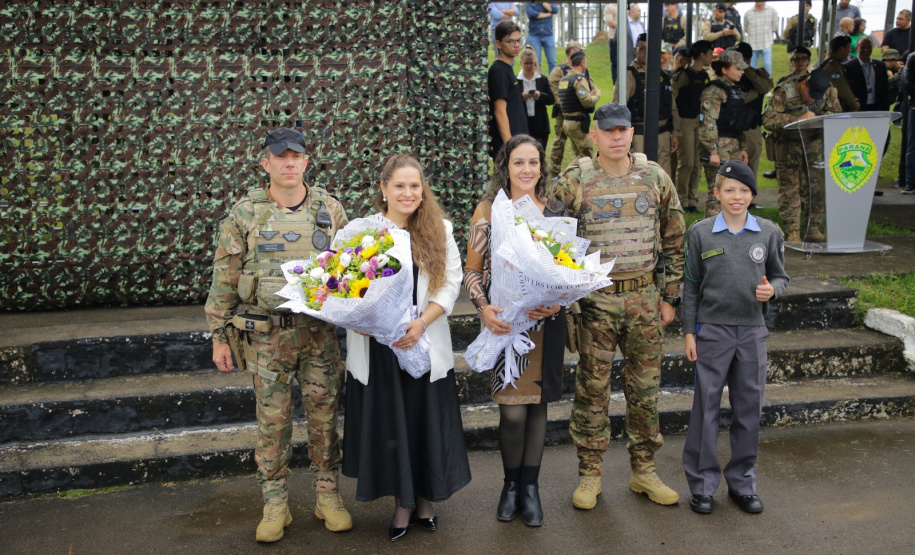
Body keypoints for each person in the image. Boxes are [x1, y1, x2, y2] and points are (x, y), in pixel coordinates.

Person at [205, 127, 351, 543]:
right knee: (273, 422)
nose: (289, 163)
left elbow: (353, 270)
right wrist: (219, 334)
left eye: (296, 156)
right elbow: (225, 277)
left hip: (319, 335)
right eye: (280, 156)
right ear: (265, 163)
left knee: (324, 418)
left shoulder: (330, 209)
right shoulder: (244, 213)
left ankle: (328, 496)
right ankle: (275, 503)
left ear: (306, 161)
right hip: (267, 339)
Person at [555, 102, 685, 512]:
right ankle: (590, 475)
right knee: (592, 390)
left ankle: (643, 470)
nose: (616, 137)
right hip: (596, 302)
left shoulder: (654, 177)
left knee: (644, 393)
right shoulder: (575, 180)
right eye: (608, 130)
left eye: (623, 130)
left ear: (632, 133)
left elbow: (674, 236)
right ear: (594, 134)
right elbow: (547, 236)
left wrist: (671, 295)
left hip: (645, 300)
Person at [343, 154, 470, 542]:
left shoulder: (439, 229)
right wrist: (361, 320)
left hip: (422, 341)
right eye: (399, 185)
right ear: (383, 189)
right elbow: (343, 285)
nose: (408, 193)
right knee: (393, 426)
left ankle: (426, 498)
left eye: (415, 186)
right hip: (380, 349)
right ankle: (402, 502)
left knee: (422, 422)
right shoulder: (362, 232)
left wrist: (421, 324)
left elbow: (450, 283)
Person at [464, 135, 567, 528]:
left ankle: (530, 488)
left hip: (546, 322)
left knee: (538, 406)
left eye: (533, 162)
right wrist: (483, 307)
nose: (527, 170)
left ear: (542, 166)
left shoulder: (555, 210)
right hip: (505, 323)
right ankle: (509, 485)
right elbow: (473, 271)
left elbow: (569, 268)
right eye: (518, 162)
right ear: (505, 166)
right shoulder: (489, 210)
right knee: (512, 414)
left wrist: (560, 302)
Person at [681, 160, 789, 515]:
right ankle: (702, 485)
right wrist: (689, 332)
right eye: (729, 190)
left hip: (753, 332)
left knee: (748, 408)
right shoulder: (700, 233)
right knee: (706, 408)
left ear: (753, 195)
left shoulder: (768, 233)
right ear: (716, 194)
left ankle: (742, 483)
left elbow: (781, 277)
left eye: (744, 190)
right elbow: (692, 288)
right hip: (712, 331)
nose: (737, 196)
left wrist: (772, 289)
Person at [762, 70, 841, 243]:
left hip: (815, 148)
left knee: (817, 189)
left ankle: (813, 228)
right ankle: (793, 232)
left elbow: (836, 114)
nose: (812, 99)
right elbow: (768, 120)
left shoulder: (828, 90)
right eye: (810, 94)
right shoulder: (784, 91)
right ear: (804, 84)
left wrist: (818, 119)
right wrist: (798, 119)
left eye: (816, 96)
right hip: (788, 149)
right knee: (790, 191)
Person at [616, 33, 679, 178]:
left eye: (649, 49)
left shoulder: (662, 75)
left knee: (663, 175)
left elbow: (672, 107)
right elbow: (619, 107)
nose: (645, 53)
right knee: (640, 174)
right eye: (642, 48)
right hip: (639, 134)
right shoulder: (629, 75)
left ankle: (662, 201)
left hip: (663, 133)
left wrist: (676, 132)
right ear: (635, 50)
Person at [699, 50, 751, 217]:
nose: (742, 71)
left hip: (733, 147)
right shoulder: (714, 90)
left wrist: (742, 147)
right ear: (724, 69)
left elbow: (739, 121)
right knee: (717, 194)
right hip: (719, 148)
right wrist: (712, 151)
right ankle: (710, 236)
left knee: (733, 192)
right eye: (738, 68)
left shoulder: (736, 91)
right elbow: (708, 122)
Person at [673, 40, 713, 213]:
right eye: (710, 53)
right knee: (687, 161)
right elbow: (672, 98)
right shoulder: (683, 75)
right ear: (702, 55)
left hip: (699, 121)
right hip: (685, 121)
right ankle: (681, 198)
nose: (711, 57)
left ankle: (692, 199)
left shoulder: (704, 76)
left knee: (697, 163)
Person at [489, 20, 528, 159]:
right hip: (509, 148)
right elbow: (499, 111)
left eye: (518, 40)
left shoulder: (507, 69)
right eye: (511, 41)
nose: (516, 45)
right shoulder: (498, 71)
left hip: (518, 144)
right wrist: (510, 148)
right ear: (498, 44)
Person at [733, 42, 773, 177]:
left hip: (751, 127)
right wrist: (754, 94)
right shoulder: (731, 74)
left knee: (751, 169)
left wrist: (748, 69)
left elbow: (765, 87)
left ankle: (749, 197)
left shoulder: (757, 74)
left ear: (748, 58)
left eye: (741, 58)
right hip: (733, 127)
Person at [549, 41, 585, 178]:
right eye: (580, 51)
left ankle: (578, 172)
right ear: (573, 51)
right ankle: (554, 173)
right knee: (559, 143)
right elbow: (554, 91)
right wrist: (566, 106)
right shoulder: (559, 71)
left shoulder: (581, 70)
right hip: (562, 114)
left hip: (578, 116)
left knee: (580, 146)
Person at [558, 51, 602, 161]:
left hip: (567, 121)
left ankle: (573, 177)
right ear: (582, 62)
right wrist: (597, 95)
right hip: (577, 123)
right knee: (586, 155)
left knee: (578, 155)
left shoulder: (564, 79)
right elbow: (587, 102)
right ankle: (564, 176)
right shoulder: (579, 80)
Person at [517, 46, 555, 153]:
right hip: (523, 124)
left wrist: (539, 95)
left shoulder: (542, 79)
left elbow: (551, 99)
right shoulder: (516, 80)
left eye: (531, 63)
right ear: (521, 62)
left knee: (540, 153)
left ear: (535, 62)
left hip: (540, 124)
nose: (529, 66)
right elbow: (511, 102)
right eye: (526, 63)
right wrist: (522, 97)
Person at [843, 37, 889, 112]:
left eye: (869, 47)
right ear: (856, 48)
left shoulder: (880, 66)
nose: (866, 50)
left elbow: (885, 90)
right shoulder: (847, 67)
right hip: (857, 109)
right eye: (862, 47)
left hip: (876, 108)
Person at [820, 35, 859, 112]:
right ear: (841, 49)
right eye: (848, 47)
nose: (849, 51)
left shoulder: (829, 63)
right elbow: (841, 88)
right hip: (832, 108)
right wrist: (853, 104)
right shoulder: (833, 66)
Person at [742, 2, 778, 75]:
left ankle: (767, 85)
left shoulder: (772, 11)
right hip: (752, 45)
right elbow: (746, 29)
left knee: (767, 67)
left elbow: (775, 27)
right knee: (752, 69)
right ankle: (753, 85)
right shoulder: (748, 13)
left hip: (766, 43)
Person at [524, 2, 559, 74]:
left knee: (552, 62)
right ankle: (538, 82)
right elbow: (532, 14)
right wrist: (548, 14)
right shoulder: (529, 3)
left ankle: (552, 83)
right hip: (534, 35)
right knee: (536, 61)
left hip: (548, 35)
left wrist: (542, 3)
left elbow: (555, 10)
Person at [904, 51, 915, 194]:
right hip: (914, 106)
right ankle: (910, 180)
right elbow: (908, 83)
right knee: (912, 146)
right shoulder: (912, 58)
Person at [603, 3, 621, 83]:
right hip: (614, 37)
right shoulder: (609, 7)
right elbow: (610, 22)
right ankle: (616, 84)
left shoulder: (626, 5)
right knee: (616, 62)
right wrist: (623, 25)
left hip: (627, 38)